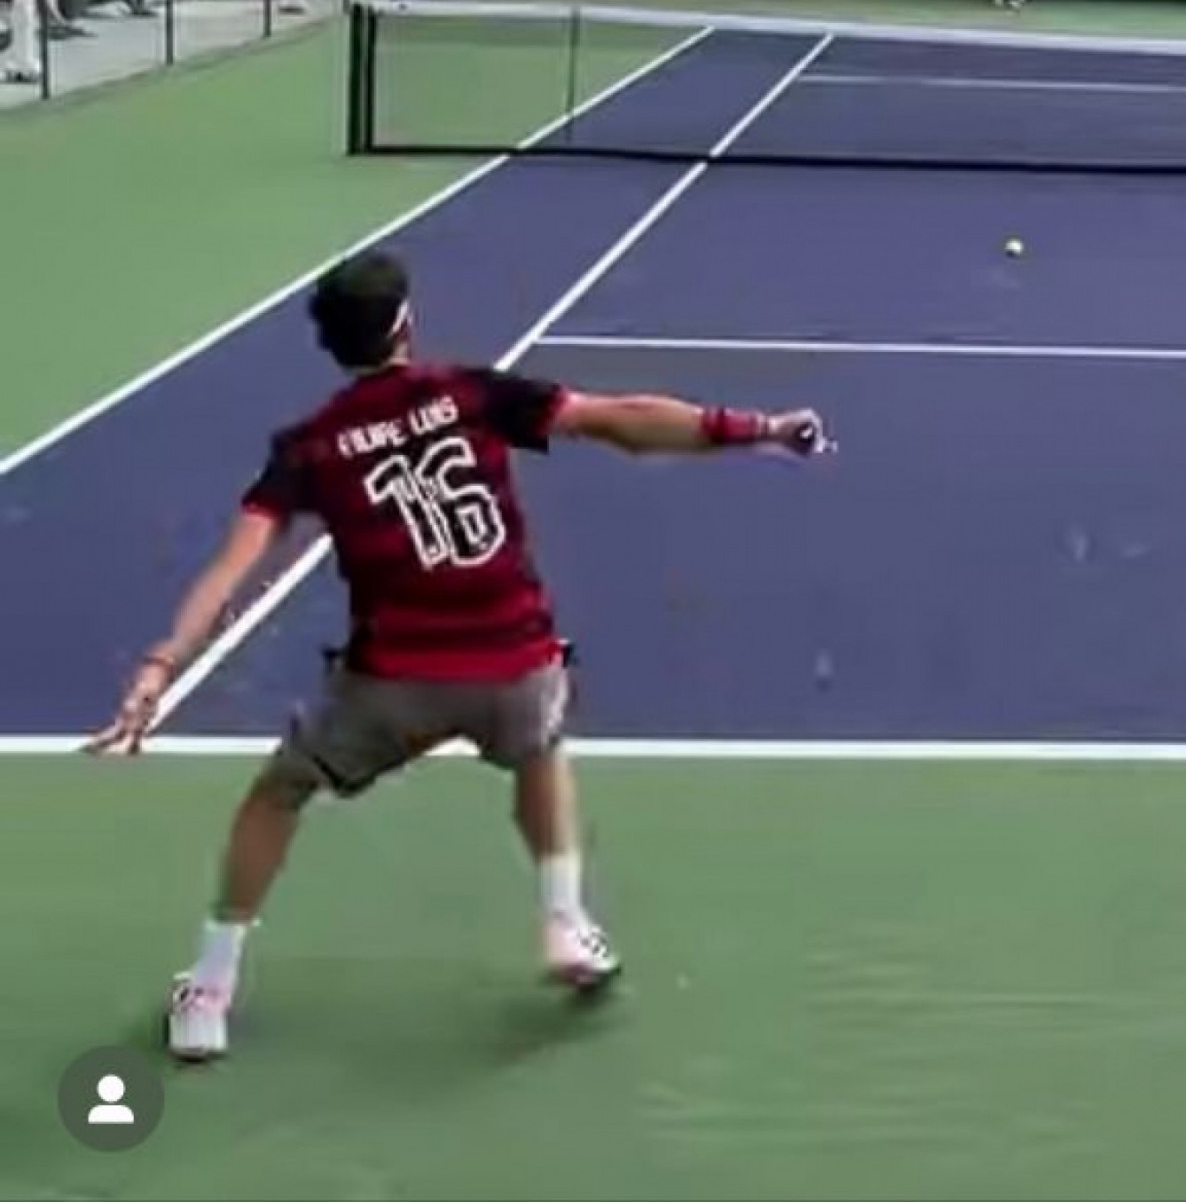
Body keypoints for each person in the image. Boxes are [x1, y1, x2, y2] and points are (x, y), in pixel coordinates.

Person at [90, 251, 831, 1064]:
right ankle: (563, 923)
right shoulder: (473, 393)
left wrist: (161, 666)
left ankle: (209, 989)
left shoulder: (307, 447)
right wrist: (757, 430)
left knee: (281, 792)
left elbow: (234, 567)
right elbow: (621, 419)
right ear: (405, 322)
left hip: (390, 686)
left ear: (332, 347)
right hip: (514, 667)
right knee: (540, 746)